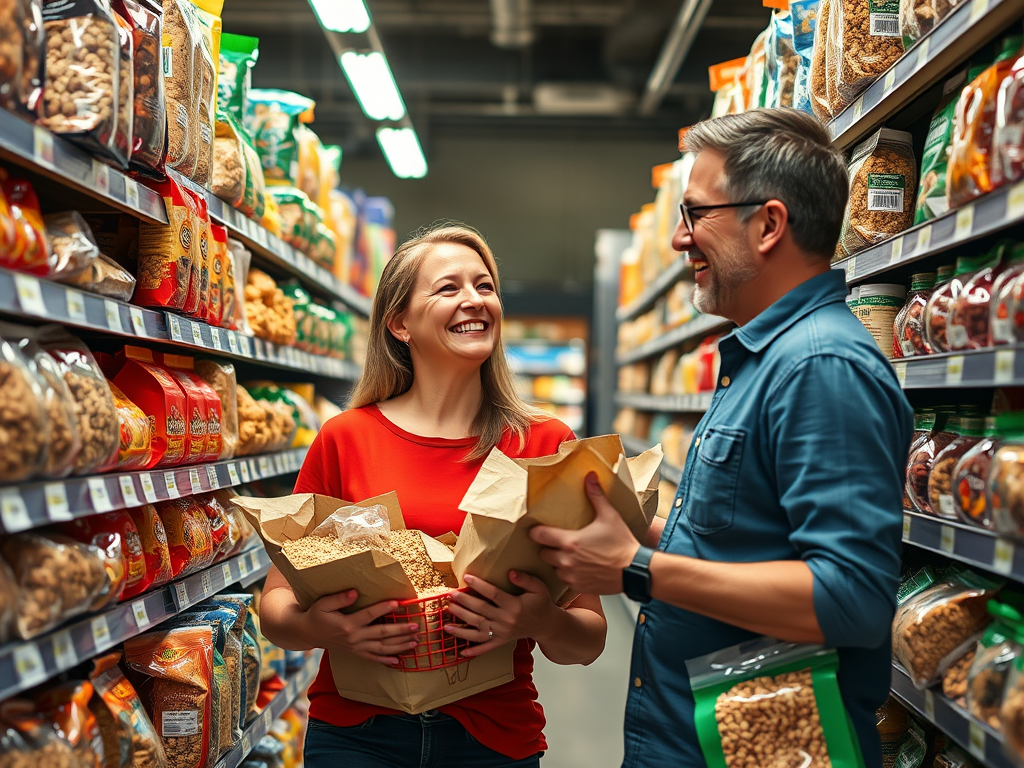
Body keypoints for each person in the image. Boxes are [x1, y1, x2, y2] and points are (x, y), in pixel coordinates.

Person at [532, 108, 913, 767]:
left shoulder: (819, 367)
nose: (680, 240)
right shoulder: (766, 360)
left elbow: (850, 600)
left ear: (768, 224)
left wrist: (637, 568)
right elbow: (751, 543)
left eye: (696, 214)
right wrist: (637, 530)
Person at [258, 223, 608, 768]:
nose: (475, 299)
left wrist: (539, 622)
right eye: (449, 288)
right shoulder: (346, 439)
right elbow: (275, 605)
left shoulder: (546, 446)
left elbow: (586, 641)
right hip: (358, 734)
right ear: (400, 323)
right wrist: (319, 628)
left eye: (485, 286)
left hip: (491, 738)